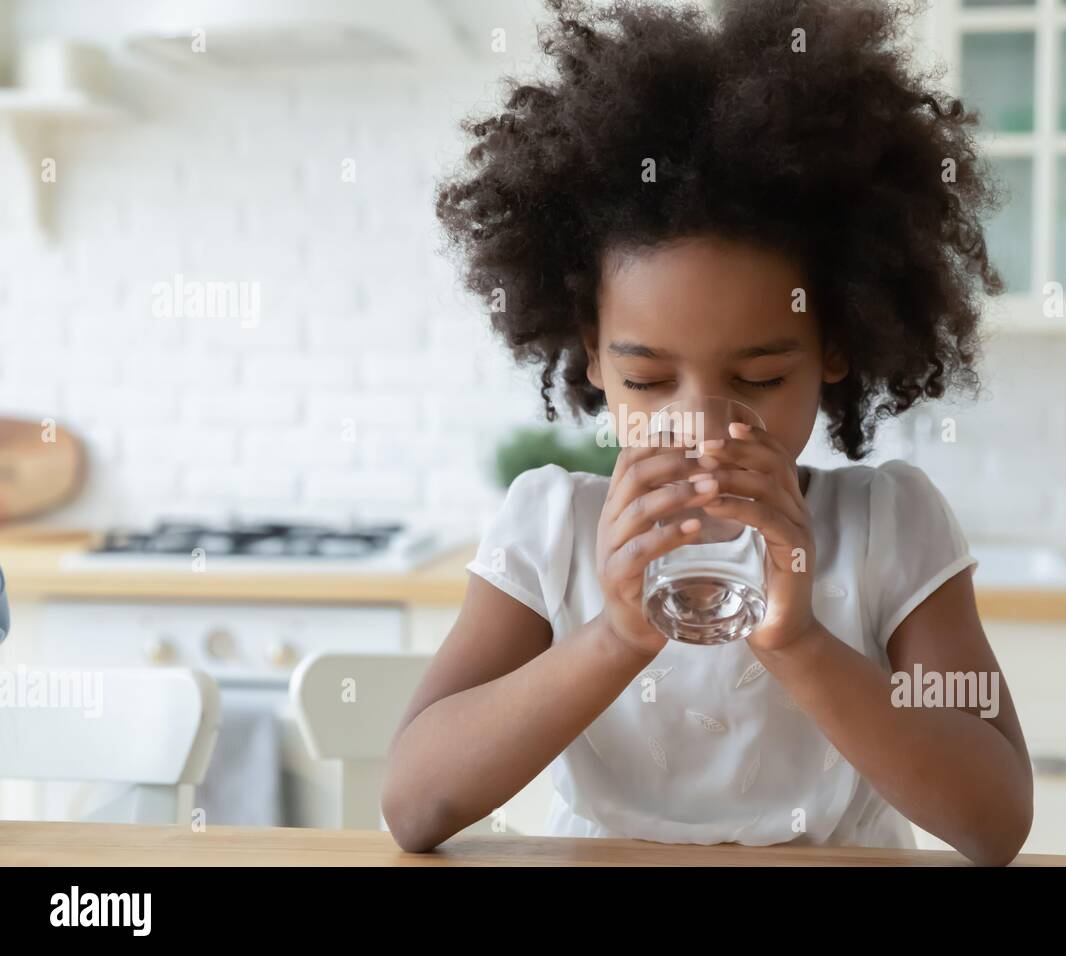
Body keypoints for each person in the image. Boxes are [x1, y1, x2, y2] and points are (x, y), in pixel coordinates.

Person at [382, 0, 1032, 865]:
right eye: (649, 380)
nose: (702, 423)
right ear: (595, 360)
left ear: (834, 347)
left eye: (759, 378)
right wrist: (612, 637)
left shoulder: (891, 526)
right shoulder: (551, 528)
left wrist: (800, 642)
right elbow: (414, 804)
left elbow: (994, 821)